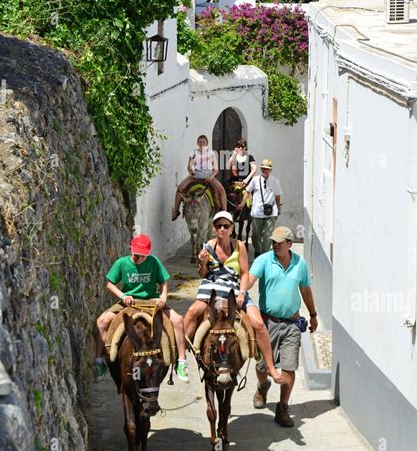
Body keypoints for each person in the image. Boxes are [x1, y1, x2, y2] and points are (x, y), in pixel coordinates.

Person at [184, 211, 284, 384]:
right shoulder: (207, 246)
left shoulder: (240, 246)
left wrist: (242, 293)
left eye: (226, 226)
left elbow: (245, 273)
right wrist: (201, 263)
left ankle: (271, 367)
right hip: (211, 289)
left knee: (258, 324)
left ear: (232, 228)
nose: (221, 229)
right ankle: (180, 358)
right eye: (218, 226)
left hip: (234, 290)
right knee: (192, 312)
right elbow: (203, 274)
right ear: (214, 228)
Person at [247, 226, 319, 427]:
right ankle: (263, 386)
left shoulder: (299, 264)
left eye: (280, 242)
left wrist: (313, 315)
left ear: (290, 244)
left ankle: (283, 408)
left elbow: (305, 290)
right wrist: (240, 289)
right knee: (262, 365)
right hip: (267, 322)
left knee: (289, 366)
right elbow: (251, 279)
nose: (275, 244)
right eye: (273, 241)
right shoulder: (264, 260)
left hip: (291, 324)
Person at [94, 234, 189, 383]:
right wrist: (123, 295)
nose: (139, 259)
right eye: (136, 255)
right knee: (102, 321)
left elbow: (163, 282)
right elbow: (110, 284)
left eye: (143, 256)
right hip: (129, 303)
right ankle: (99, 361)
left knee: (178, 320)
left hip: (151, 302)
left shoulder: (154, 262)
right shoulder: (121, 263)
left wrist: (163, 298)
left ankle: (181, 361)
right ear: (130, 249)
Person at [172, 134, 227, 220]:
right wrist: (191, 172)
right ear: (197, 143)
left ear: (206, 143)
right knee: (180, 188)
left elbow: (216, 169)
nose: (202, 144)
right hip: (195, 177)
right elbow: (188, 167)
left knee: (222, 190)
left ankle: (224, 214)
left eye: (203, 142)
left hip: (208, 177)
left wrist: (211, 177)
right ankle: (175, 211)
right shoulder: (193, 153)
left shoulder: (211, 153)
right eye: (200, 142)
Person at [238, 158, 282, 258]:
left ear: (270, 170)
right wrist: (242, 203)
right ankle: (258, 250)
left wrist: (278, 209)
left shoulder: (275, 181)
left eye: (267, 169)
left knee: (268, 235)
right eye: (263, 168)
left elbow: (278, 196)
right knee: (255, 235)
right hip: (257, 211)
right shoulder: (255, 180)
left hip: (271, 212)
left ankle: (264, 256)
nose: (264, 170)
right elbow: (248, 191)